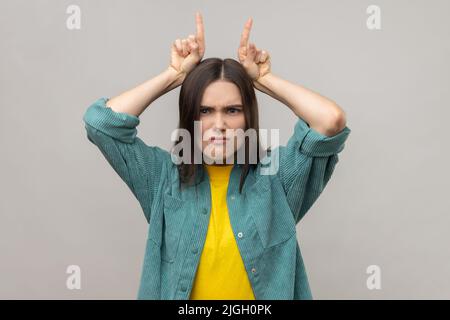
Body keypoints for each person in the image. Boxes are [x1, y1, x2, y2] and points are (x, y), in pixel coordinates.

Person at [83, 12, 351, 300]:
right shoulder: (162, 178)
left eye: (232, 110)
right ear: (190, 116)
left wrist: (265, 79)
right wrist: (174, 75)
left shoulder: (278, 177)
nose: (219, 124)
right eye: (205, 110)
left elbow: (330, 120)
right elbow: (101, 123)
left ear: (249, 116)